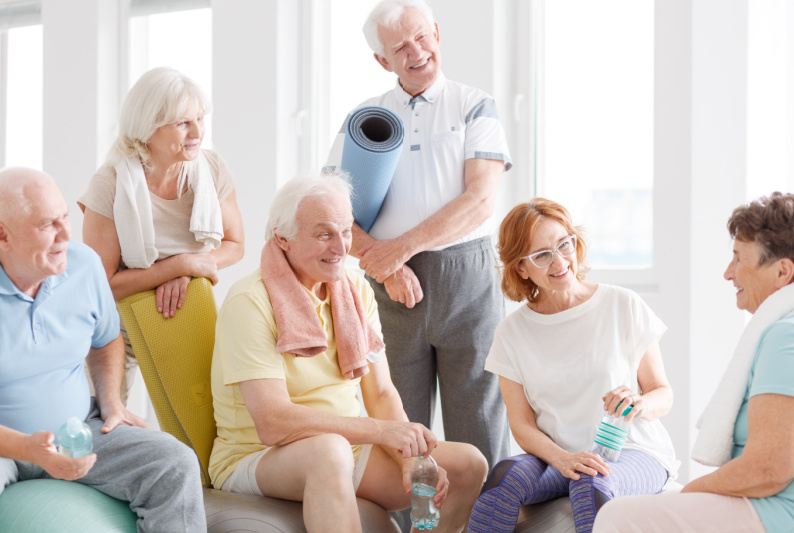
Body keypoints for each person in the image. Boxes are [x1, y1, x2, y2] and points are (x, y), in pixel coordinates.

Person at [209, 174, 488, 533]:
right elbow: (273, 422)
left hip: (344, 449)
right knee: (330, 452)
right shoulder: (249, 302)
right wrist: (380, 432)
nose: (341, 247)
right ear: (283, 238)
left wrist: (407, 456)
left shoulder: (354, 289)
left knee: (469, 465)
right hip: (258, 456)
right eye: (324, 234)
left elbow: (382, 393)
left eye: (345, 231)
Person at [323, 0, 512, 470]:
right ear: (382, 61)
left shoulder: (474, 104)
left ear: (437, 34)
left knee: (481, 422)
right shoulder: (364, 117)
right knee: (397, 432)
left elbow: (481, 200)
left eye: (422, 36)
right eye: (400, 46)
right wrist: (382, 265)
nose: (416, 51)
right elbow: (332, 208)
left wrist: (398, 252)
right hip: (385, 291)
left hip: (466, 279)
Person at [0, 167, 206, 532]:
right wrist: (26, 448)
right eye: (48, 225)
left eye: (65, 217)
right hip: (5, 447)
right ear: (4, 235)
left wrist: (111, 401)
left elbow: (106, 338)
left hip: (79, 428)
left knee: (175, 463)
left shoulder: (83, 266)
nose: (66, 234)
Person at [468, 198, 679, 533]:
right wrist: (561, 458)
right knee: (503, 479)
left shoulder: (622, 304)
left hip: (634, 450)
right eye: (542, 254)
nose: (560, 261)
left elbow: (662, 393)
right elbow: (521, 425)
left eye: (564, 244)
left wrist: (640, 403)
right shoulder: (511, 333)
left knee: (589, 482)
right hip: (556, 456)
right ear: (521, 268)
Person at [595, 192, 794, 533]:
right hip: (770, 507)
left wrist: (688, 494)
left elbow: (770, 468)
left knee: (618, 517)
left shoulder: (787, 337)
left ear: (782, 271)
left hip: (780, 514)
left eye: (738, 258)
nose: (727, 273)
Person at [80, 66, 245, 404]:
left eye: (200, 118)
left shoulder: (212, 169)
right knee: (107, 423)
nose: (197, 131)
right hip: (118, 326)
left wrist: (188, 269)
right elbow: (104, 283)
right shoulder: (110, 182)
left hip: (187, 314)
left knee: (198, 425)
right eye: (183, 122)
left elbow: (235, 244)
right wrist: (178, 265)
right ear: (148, 129)